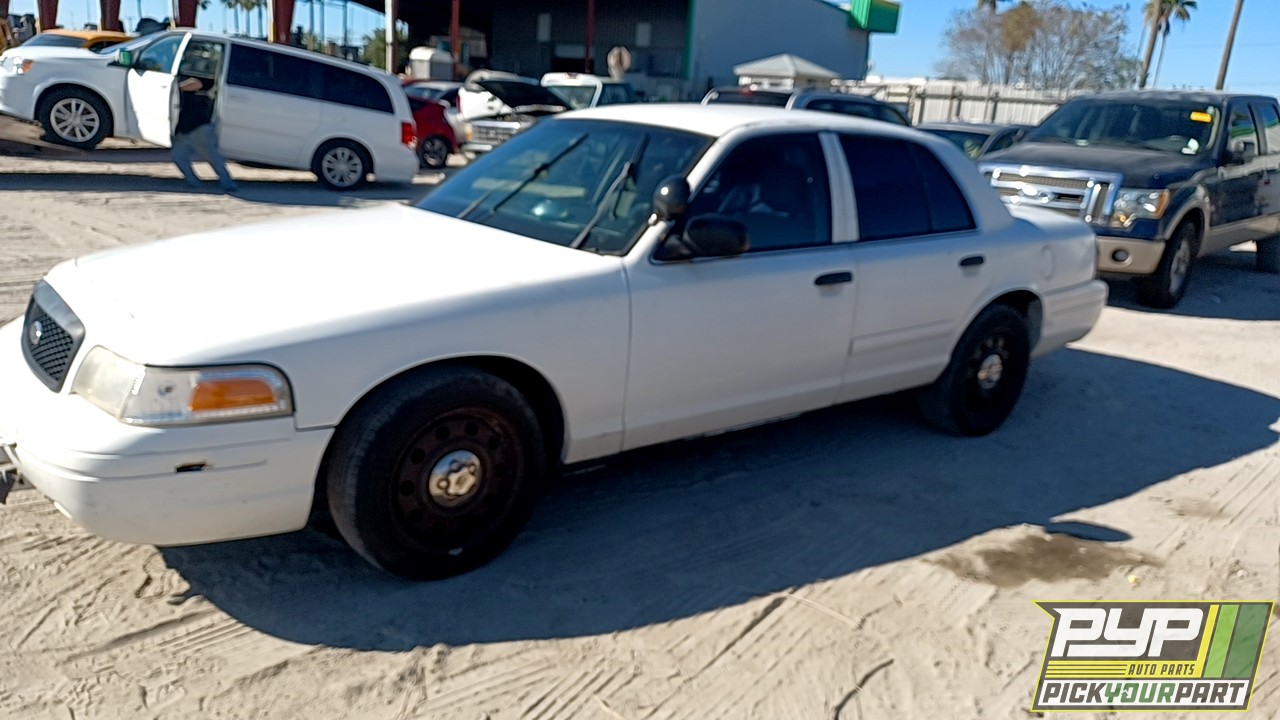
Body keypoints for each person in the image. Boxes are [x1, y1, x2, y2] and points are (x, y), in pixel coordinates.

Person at [172, 73, 237, 192]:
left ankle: (228, 183)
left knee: (212, 157)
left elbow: (197, 84)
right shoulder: (180, 76)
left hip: (199, 127)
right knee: (178, 156)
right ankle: (194, 183)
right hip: (183, 129)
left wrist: (174, 88)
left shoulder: (204, 77)